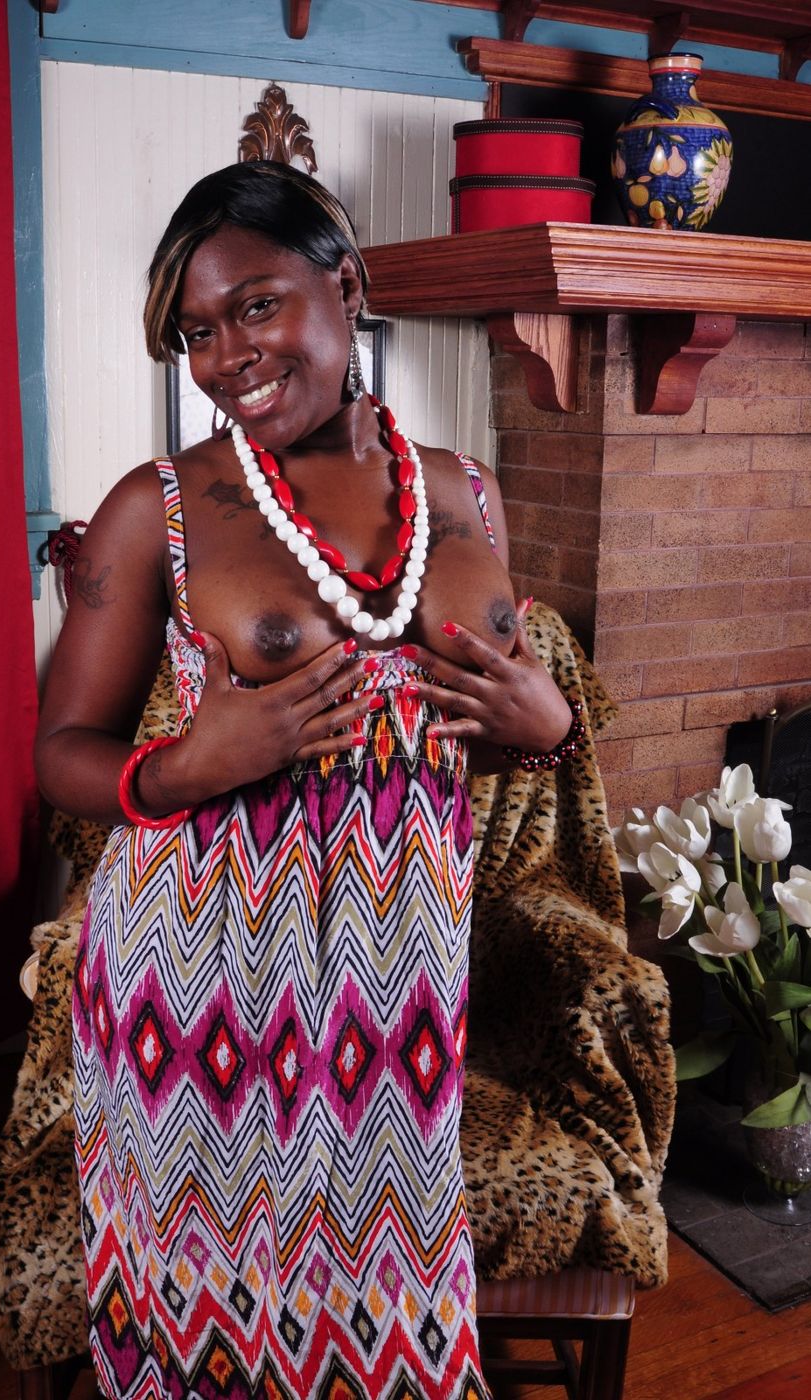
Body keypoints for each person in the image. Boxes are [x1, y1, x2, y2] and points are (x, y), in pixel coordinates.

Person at [35, 160, 579, 1400]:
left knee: (385, 1298)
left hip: (400, 968)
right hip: (201, 971)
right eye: (197, 333)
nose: (227, 356)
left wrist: (544, 726)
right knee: (208, 1304)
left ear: (345, 284)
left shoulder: (466, 489)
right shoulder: (161, 506)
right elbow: (61, 752)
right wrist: (189, 762)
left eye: (255, 306)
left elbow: (476, 724)